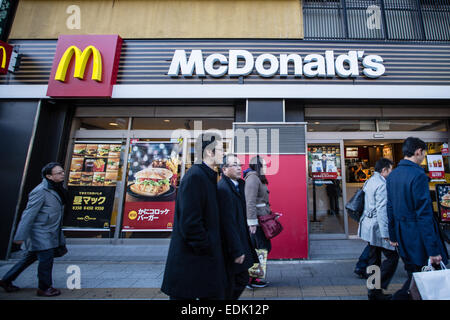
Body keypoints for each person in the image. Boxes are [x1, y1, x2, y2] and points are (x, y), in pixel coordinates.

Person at [161, 133, 227, 300]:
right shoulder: (196, 177)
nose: (224, 154)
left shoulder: (206, 176)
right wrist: (207, 247)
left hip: (197, 262)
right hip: (191, 262)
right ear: (210, 152)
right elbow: (190, 223)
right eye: (221, 150)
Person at [387, 137, 449, 300]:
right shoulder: (418, 175)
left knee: (414, 277)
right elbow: (424, 214)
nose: (423, 159)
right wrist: (433, 250)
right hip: (419, 238)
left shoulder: (393, 176)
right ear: (418, 152)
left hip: (403, 236)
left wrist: (393, 236)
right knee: (423, 281)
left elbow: (390, 207)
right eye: (423, 154)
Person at [0, 162, 67, 297]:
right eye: (59, 173)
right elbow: (28, 214)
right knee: (46, 260)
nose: (63, 174)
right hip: (40, 232)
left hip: (49, 230)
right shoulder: (40, 191)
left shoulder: (56, 188)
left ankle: (6, 280)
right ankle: (44, 287)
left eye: (62, 171)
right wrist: (20, 236)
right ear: (49, 176)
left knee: (29, 258)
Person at [218, 154, 259, 299]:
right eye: (234, 165)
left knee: (239, 278)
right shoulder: (223, 189)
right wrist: (236, 250)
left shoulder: (240, 184)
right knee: (236, 280)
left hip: (242, 238)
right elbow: (227, 222)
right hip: (233, 245)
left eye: (239, 165)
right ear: (224, 169)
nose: (238, 168)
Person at [358, 158, 399, 300]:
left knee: (374, 259)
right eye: (390, 170)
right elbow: (382, 211)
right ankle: (377, 287)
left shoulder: (369, 181)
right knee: (393, 257)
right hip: (377, 227)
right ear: (384, 170)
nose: (391, 172)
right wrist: (386, 234)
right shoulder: (382, 185)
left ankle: (373, 291)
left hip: (368, 226)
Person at [244, 155, 271, 289]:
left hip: (262, 220)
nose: (266, 167)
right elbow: (250, 202)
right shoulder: (253, 179)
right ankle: (251, 279)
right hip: (257, 223)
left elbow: (261, 202)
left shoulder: (257, 178)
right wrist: (252, 223)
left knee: (262, 249)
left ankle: (253, 278)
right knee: (260, 249)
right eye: (264, 165)